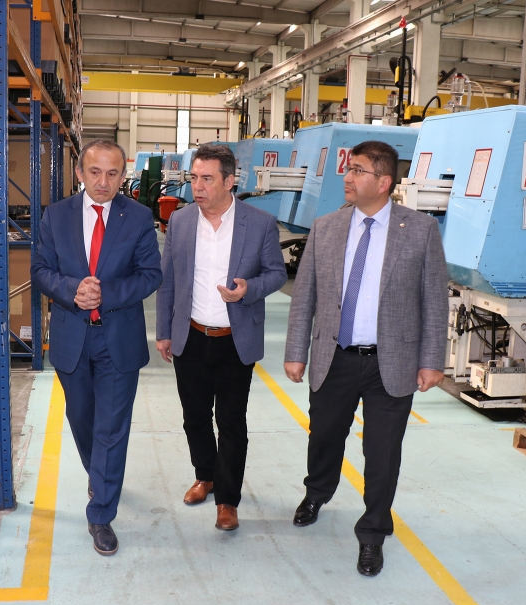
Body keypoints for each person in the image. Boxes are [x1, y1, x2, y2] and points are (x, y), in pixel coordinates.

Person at [283, 140, 447, 577]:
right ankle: (317, 491)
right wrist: (296, 351)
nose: (348, 177)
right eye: (348, 169)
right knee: (324, 437)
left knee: (382, 452)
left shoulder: (420, 230)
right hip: (334, 357)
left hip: (390, 362)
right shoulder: (326, 227)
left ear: (384, 181)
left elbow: (434, 300)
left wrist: (432, 359)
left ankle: (373, 531)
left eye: (357, 170)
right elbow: (305, 296)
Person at [31, 139, 162, 556]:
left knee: (111, 428)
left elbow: (150, 274)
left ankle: (101, 513)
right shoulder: (56, 216)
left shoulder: (137, 217)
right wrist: (73, 290)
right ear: (79, 173)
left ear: (123, 176)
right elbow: (40, 271)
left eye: (112, 173)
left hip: (118, 338)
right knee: (82, 419)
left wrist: (107, 294)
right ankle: (99, 473)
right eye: (94, 172)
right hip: (72, 337)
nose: (103, 181)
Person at [155, 144, 286, 531]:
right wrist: (164, 332)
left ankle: (228, 499)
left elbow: (276, 273)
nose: (197, 186)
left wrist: (249, 289)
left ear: (230, 181)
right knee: (194, 418)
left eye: (207, 179)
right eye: (194, 178)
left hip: (235, 339)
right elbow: (168, 281)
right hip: (191, 336)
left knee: (231, 422)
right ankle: (205, 476)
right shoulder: (180, 221)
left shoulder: (259, 223)